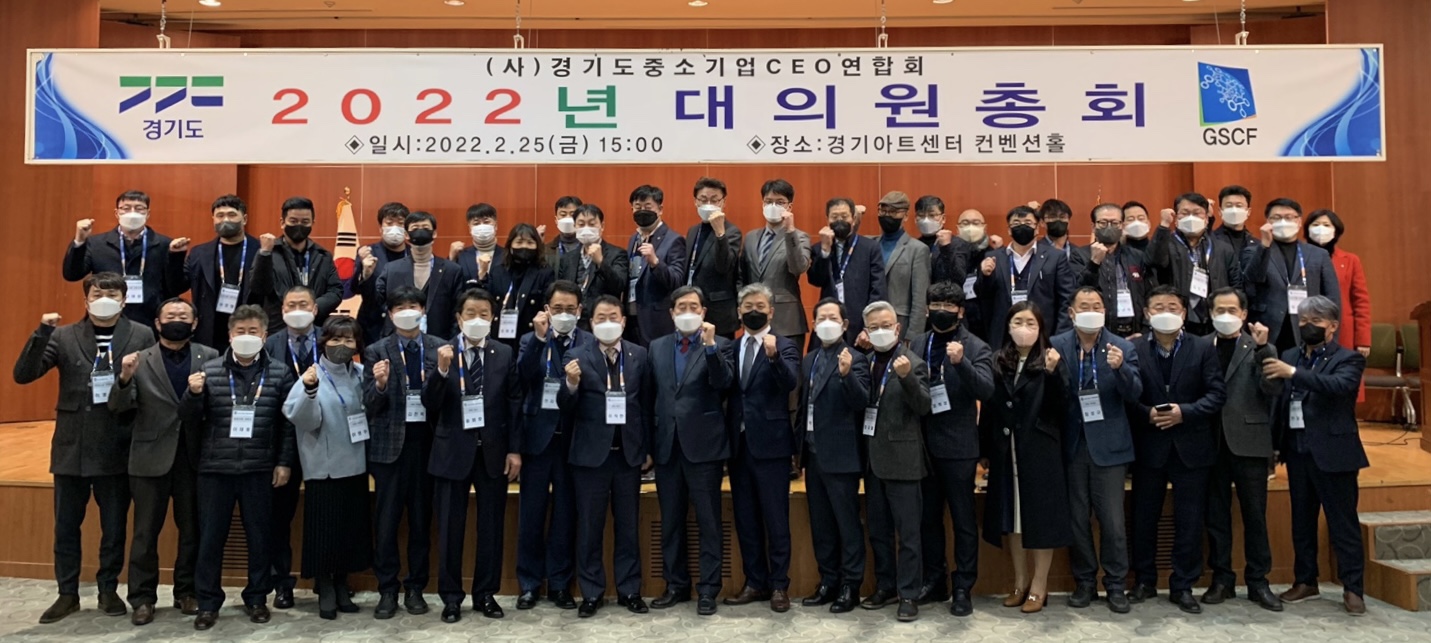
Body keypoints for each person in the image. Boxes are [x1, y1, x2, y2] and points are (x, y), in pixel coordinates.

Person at [13, 272, 157, 624]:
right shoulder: (62, 335)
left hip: (117, 443)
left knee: (114, 527)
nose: (104, 299)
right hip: (71, 445)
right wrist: (41, 332)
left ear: (124, 300)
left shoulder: (141, 334)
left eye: (112, 294)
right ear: (86, 300)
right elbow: (24, 374)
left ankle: (108, 589)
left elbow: (147, 385)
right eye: (97, 293)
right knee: (66, 526)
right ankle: (67, 593)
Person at [110, 298, 219, 625]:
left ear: (195, 323)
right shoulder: (138, 359)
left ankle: (187, 591)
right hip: (149, 456)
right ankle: (142, 598)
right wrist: (124, 378)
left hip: (193, 457)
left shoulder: (210, 356)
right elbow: (118, 407)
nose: (177, 320)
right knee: (145, 532)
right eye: (170, 316)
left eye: (184, 316)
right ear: (157, 323)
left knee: (192, 531)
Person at [190, 305, 298, 631]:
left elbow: (288, 424)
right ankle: (208, 602)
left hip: (259, 468)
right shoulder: (208, 370)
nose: (247, 337)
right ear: (230, 335)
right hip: (215, 469)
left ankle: (257, 598)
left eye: (253, 332)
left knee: (260, 537)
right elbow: (190, 420)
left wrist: (284, 462)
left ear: (264, 336)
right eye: (241, 332)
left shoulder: (280, 373)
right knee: (211, 539)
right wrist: (193, 395)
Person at [1265, 295, 1369, 616]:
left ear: (1332, 326)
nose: (1307, 326)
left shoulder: (1349, 359)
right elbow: (1281, 401)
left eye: (1316, 321)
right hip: (1297, 451)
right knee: (1302, 522)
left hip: (1334, 453)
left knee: (1343, 524)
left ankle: (1353, 588)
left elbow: (1336, 386)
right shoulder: (1290, 355)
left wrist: (1293, 373)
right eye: (1303, 320)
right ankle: (1305, 580)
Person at [1126, 286, 1227, 614]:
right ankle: (1144, 580)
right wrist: (1146, 414)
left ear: (1184, 313)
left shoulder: (1203, 347)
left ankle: (1183, 585)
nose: (1165, 312)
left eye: (1172, 306)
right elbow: (1126, 395)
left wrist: (1185, 412)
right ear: (1146, 313)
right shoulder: (1133, 348)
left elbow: (1216, 395)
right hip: (1149, 445)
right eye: (1158, 306)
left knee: (1190, 520)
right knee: (1144, 518)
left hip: (1191, 446)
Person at [428, 288, 522, 623]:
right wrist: (441, 372)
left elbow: (514, 403)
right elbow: (429, 404)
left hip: (493, 452)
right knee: (450, 528)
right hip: (452, 450)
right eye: (471, 313)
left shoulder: (504, 353)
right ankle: (451, 597)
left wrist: (514, 449)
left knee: (491, 527)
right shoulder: (441, 351)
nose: (477, 319)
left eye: (484, 314)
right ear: (458, 318)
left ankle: (485, 594)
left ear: (493, 318)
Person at [558, 295, 653, 617]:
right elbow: (565, 406)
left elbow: (646, 405)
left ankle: (630, 590)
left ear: (624, 321)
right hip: (590, 457)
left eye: (614, 316)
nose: (608, 322)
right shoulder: (576, 355)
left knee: (628, 527)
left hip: (628, 455)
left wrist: (647, 449)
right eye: (601, 317)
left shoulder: (639, 355)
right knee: (589, 528)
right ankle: (591, 592)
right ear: (591, 322)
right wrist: (571, 384)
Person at [1050, 287, 1140, 614]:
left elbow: (1135, 394)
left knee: (1113, 521)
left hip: (1110, 446)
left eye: (1097, 305)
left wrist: (1121, 369)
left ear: (1105, 311)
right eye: (1084, 306)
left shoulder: (1123, 347)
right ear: (1072, 313)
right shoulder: (1056, 345)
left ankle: (1115, 584)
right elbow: (1051, 397)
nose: (1091, 310)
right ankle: (1085, 581)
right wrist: (1050, 371)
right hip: (1072, 443)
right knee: (1077, 518)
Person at [978, 302, 1070, 616]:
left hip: (1040, 452)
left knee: (1040, 520)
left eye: (1030, 322)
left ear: (1040, 328)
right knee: (1012, 518)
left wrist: (1053, 374)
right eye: (1018, 321)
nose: (1024, 328)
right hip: (1006, 450)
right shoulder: (998, 360)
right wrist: (985, 449)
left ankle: (1039, 586)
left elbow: (1062, 407)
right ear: (1008, 326)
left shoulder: (1051, 358)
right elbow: (990, 407)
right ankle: (1019, 582)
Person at [649, 286, 734, 616]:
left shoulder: (721, 344)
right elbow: (650, 397)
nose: (688, 312)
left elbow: (724, 384)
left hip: (704, 447)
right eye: (681, 307)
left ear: (703, 312)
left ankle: (709, 589)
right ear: (671, 313)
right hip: (667, 445)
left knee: (709, 521)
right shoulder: (656, 347)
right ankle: (675, 584)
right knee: (671, 520)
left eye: (694, 307)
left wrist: (710, 347)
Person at [909, 282, 993, 616]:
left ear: (960, 311)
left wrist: (961, 364)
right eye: (936, 304)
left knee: (963, 520)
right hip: (924, 444)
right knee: (928, 519)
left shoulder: (976, 346)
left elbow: (986, 390)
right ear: (927, 309)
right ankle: (935, 580)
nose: (941, 310)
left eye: (948, 305)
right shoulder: (918, 342)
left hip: (959, 447)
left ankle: (963, 586)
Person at [282, 316, 373, 620]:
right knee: (324, 532)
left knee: (349, 530)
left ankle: (342, 583)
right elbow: (303, 419)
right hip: (324, 467)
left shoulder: (362, 374)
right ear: (324, 342)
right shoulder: (311, 375)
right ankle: (325, 587)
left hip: (356, 465)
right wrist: (310, 391)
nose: (342, 345)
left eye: (349, 340)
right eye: (336, 339)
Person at [361, 286, 442, 619]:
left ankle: (416, 587)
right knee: (386, 523)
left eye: (413, 305)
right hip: (389, 449)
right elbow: (368, 403)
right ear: (391, 314)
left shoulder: (439, 348)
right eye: (400, 307)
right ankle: (387, 589)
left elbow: (446, 400)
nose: (407, 311)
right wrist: (379, 385)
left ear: (423, 311)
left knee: (422, 523)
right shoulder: (376, 350)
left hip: (427, 446)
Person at [1201, 288, 1282, 611]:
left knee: (1255, 515)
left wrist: (1263, 350)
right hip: (1211, 442)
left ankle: (1258, 581)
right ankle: (1222, 578)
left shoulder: (1260, 346)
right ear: (1210, 314)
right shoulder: (1201, 345)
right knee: (1216, 515)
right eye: (1219, 310)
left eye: (1232, 310)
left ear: (1244, 314)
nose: (1225, 315)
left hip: (1249, 441)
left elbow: (1272, 389)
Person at [723, 284, 801, 612]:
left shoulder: (785, 345)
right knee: (746, 519)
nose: (753, 311)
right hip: (739, 446)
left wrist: (774, 358)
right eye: (748, 306)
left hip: (772, 446)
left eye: (760, 306)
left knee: (775, 519)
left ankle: (779, 585)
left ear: (771, 311)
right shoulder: (731, 347)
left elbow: (790, 382)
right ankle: (754, 581)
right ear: (739, 312)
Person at [513, 281, 589, 610]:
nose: (564, 314)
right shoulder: (530, 340)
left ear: (580, 311)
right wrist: (540, 338)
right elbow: (522, 378)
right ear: (546, 309)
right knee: (531, 514)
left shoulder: (589, 342)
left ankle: (559, 583)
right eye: (558, 308)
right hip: (537, 438)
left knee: (565, 515)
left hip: (573, 439)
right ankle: (529, 584)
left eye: (570, 309)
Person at [858, 301, 932, 622]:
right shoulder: (864, 362)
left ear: (898, 328)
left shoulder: (913, 363)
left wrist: (907, 379)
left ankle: (909, 594)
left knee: (909, 534)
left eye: (886, 326)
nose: (880, 331)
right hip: (872, 460)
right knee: (878, 531)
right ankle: (885, 586)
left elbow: (924, 407)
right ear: (866, 331)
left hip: (904, 460)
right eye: (873, 327)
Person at [798, 298, 871, 614]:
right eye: (821, 318)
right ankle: (827, 581)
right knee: (821, 524)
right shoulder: (809, 359)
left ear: (845, 324)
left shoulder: (856, 358)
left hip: (841, 455)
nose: (826, 323)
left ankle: (850, 586)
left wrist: (846, 374)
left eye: (833, 318)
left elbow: (861, 401)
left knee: (847, 524)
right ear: (814, 324)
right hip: (813, 453)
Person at [261, 286, 319, 609]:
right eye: (291, 304)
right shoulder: (269, 344)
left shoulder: (330, 339)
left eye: (303, 304)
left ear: (315, 308)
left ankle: (327, 578)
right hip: (281, 441)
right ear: (282, 310)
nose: (297, 309)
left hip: (323, 438)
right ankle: (281, 582)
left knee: (325, 512)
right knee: (279, 517)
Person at [63, 190, 190, 327]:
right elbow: (72, 275)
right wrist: (79, 241)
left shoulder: (165, 245)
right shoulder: (96, 244)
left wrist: (176, 256)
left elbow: (176, 287)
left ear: (148, 214)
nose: (132, 213)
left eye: (139, 208)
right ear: (117, 213)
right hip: (106, 318)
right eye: (126, 208)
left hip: (150, 320)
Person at [1243, 198, 1340, 354]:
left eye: (1289, 217)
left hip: (1308, 326)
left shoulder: (1318, 254)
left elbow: (1332, 297)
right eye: (1276, 218)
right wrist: (1265, 246)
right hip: (1268, 328)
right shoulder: (1254, 250)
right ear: (1268, 222)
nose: (1283, 222)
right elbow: (1252, 279)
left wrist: (1332, 338)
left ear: (1299, 222)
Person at [972, 205, 1076, 349]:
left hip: (1043, 335)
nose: (1022, 227)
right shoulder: (994, 257)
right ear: (1009, 230)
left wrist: (1059, 338)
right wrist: (985, 275)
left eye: (1028, 223)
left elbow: (1066, 299)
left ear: (1037, 228)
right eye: (1016, 223)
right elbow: (982, 296)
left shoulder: (1055, 257)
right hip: (1003, 336)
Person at [1146, 193, 1243, 336]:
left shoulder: (1222, 248)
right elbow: (1153, 261)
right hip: (1177, 317)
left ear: (1206, 218)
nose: (1191, 217)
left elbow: (1236, 284)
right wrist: (1164, 226)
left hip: (1214, 318)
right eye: (1185, 213)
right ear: (1176, 219)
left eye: (1197, 213)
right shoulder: (1166, 244)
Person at [1305, 209, 1372, 400]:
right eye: (1316, 225)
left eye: (1326, 225)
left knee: (1343, 380)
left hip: (1343, 329)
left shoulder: (1350, 260)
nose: (1321, 229)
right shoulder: (1301, 256)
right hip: (1307, 326)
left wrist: (1363, 339)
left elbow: (1361, 301)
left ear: (1336, 230)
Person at [251, 197, 344, 335]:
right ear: (282, 222)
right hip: (278, 329)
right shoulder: (269, 253)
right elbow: (259, 289)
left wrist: (311, 308)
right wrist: (264, 255)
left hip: (315, 328)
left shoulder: (323, 255)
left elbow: (336, 291)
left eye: (305, 222)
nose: (299, 225)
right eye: (293, 221)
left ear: (312, 223)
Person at [183, 194, 260, 351]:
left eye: (232, 215)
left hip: (250, 329)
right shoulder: (199, 253)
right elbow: (178, 285)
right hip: (210, 333)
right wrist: (175, 256)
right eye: (220, 215)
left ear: (244, 219)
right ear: (213, 219)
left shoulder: (261, 250)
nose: (225, 220)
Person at [743, 179, 813, 347]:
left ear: (789, 206)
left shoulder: (799, 237)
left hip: (787, 322)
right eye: (768, 201)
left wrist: (790, 232)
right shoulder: (751, 237)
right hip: (755, 320)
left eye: (780, 202)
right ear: (762, 204)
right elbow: (743, 275)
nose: (773, 206)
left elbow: (798, 267)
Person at [374, 211, 465, 340]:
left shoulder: (452, 270)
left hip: (440, 340)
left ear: (434, 233)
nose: (420, 232)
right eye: (415, 228)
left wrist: (451, 342)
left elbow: (457, 310)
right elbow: (378, 302)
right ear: (406, 235)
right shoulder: (392, 269)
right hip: (398, 339)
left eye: (425, 228)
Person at [808, 198, 885, 347]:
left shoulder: (870, 248)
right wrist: (825, 251)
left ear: (853, 218)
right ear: (827, 219)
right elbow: (815, 280)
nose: (839, 221)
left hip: (860, 323)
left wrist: (870, 327)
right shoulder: (819, 248)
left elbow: (878, 288)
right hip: (829, 322)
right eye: (834, 217)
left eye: (844, 216)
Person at [474, 223, 556, 349]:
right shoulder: (498, 271)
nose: (524, 246)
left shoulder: (545, 272)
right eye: (519, 242)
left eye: (530, 243)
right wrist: (482, 276)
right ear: (510, 246)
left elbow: (547, 305)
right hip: (500, 336)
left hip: (531, 336)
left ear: (537, 246)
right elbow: (485, 300)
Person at [625, 185, 688, 346]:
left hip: (657, 321)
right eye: (637, 207)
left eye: (648, 207)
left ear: (660, 209)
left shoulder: (674, 240)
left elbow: (677, 281)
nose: (642, 211)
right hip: (632, 318)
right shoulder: (633, 239)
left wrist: (656, 263)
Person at [1082, 203, 1154, 338]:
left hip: (1135, 332)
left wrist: (1144, 330)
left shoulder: (1137, 256)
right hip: (1098, 333)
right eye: (1103, 223)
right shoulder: (1080, 255)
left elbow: (1150, 294)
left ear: (1122, 226)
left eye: (1115, 223)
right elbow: (1080, 291)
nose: (1109, 227)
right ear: (1093, 227)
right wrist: (1094, 263)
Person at [685, 177, 744, 338]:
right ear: (695, 202)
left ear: (723, 202)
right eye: (703, 200)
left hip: (719, 312)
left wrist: (720, 233)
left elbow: (724, 266)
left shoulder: (731, 232)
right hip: (692, 308)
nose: (708, 204)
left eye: (714, 200)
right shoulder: (693, 231)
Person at [556, 203, 630, 331]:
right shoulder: (568, 258)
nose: (586, 228)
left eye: (591, 224)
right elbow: (561, 289)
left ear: (602, 226)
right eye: (581, 224)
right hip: (573, 322)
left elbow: (619, 286)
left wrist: (601, 262)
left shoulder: (617, 254)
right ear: (575, 227)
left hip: (602, 321)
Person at [873, 192, 932, 341]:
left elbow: (920, 300)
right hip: (871, 327)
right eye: (883, 211)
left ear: (905, 216)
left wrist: (912, 338)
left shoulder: (918, 249)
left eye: (893, 212)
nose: (887, 216)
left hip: (901, 327)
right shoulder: (870, 245)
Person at [353, 202, 412, 344]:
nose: (394, 228)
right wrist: (365, 274)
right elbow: (354, 288)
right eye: (389, 223)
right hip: (373, 326)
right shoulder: (368, 252)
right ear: (380, 228)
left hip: (407, 322)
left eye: (400, 223)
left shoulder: (414, 254)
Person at [955, 209, 1000, 343]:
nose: (970, 227)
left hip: (987, 319)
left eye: (976, 223)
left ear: (985, 228)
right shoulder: (952, 254)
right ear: (957, 228)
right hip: (959, 318)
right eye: (965, 223)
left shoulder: (993, 254)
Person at [913, 195, 970, 287]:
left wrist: (946, 249)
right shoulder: (913, 245)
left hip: (945, 295)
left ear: (943, 219)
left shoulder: (956, 244)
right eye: (921, 216)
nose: (926, 220)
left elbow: (959, 278)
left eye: (932, 215)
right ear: (916, 219)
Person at [451, 203, 505, 283]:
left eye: (486, 222)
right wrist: (451, 259)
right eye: (476, 223)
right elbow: (450, 282)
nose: (482, 226)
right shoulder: (461, 256)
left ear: (495, 226)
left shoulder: (506, 255)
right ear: (470, 229)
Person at [1035, 198, 1090, 269]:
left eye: (1062, 217)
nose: (1058, 220)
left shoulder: (1078, 252)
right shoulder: (1035, 250)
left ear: (1069, 222)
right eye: (1052, 217)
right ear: (1042, 222)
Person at [1212, 185, 1259, 253]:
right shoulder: (1211, 241)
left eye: (1239, 206)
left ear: (1248, 212)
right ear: (1220, 211)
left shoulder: (1256, 245)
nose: (1234, 211)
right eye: (1229, 206)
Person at [546, 195, 584, 266]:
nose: (568, 218)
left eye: (573, 214)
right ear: (556, 220)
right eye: (563, 214)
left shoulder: (590, 248)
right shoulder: (546, 249)